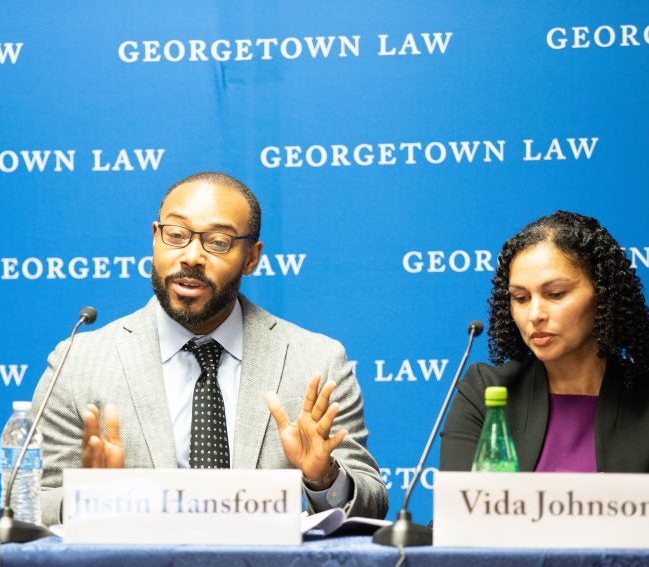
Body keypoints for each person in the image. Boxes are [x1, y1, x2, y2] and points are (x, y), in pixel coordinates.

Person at [33, 171, 388, 525]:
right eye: (176, 235)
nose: (191, 257)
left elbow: (372, 506)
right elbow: (32, 506)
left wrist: (323, 477)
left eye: (218, 242)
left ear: (251, 258)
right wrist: (94, 498)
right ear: (155, 239)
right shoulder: (76, 364)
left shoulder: (316, 361)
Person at [440, 210, 649, 531]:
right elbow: (454, 524)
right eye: (520, 298)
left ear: (603, 296)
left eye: (555, 294)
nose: (535, 314)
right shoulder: (485, 392)